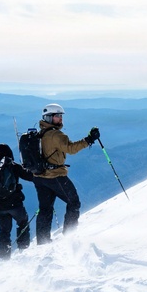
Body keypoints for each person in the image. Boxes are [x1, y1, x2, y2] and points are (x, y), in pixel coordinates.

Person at [32, 103, 99, 245]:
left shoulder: (40, 133)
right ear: (49, 117)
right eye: (57, 116)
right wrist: (89, 139)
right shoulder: (56, 135)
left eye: (61, 116)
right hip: (55, 176)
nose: (61, 119)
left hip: (39, 177)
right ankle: (70, 236)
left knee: (45, 208)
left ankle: (43, 241)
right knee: (74, 202)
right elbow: (71, 149)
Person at [0, 143, 34, 259]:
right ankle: (23, 248)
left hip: (1, 206)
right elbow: (30, 176)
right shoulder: (13, 166)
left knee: (4, 232)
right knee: (23, 223)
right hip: (15, 204)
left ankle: (3, 256)